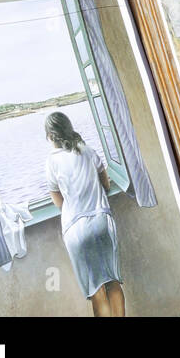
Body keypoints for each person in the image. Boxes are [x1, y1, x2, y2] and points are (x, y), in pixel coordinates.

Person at [45, 111, 124, 317]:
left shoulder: (52, 162)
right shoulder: (88, 151)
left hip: (76, 230)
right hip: (102, 221)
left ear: (51, 136)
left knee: (96, 291)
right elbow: (105, 184)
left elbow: (58, 202)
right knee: (113, 283)